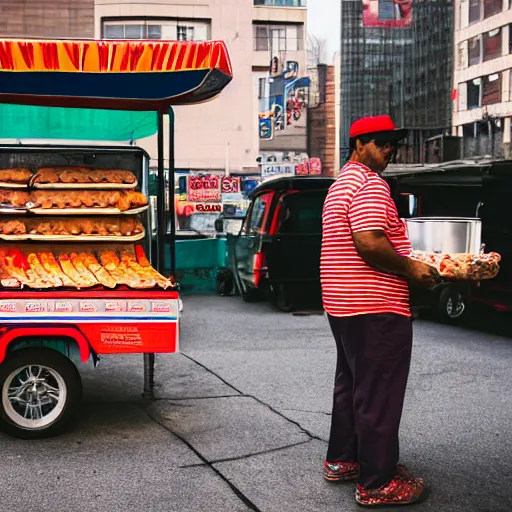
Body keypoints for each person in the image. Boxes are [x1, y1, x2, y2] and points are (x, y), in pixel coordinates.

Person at [320, 115, 440, 507]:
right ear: (359, 144)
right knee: (379, 394)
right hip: (374, 306)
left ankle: (343, 460)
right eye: (382, 142)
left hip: (343, 304)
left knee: (352, 385)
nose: (390, 150)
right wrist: (411, 268)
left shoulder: (341, 184)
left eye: (393, 143)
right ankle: (377, 482)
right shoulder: (370, 184)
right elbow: (370, 242)